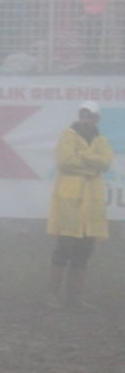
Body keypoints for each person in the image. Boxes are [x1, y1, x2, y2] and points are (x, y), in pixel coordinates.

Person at [47, 101, 113, 309]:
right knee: (65, 247)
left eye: (89, 115)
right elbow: (65, 161)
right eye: (83, 114)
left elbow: (106, 162)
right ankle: (52, 295)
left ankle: (74, 297)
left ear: (96, 118)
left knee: (84, 251)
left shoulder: (101, 139)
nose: (85, 118)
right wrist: (91, 167)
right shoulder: (68, 134)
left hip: (91, 204)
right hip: (70, 200)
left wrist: (82, 156)